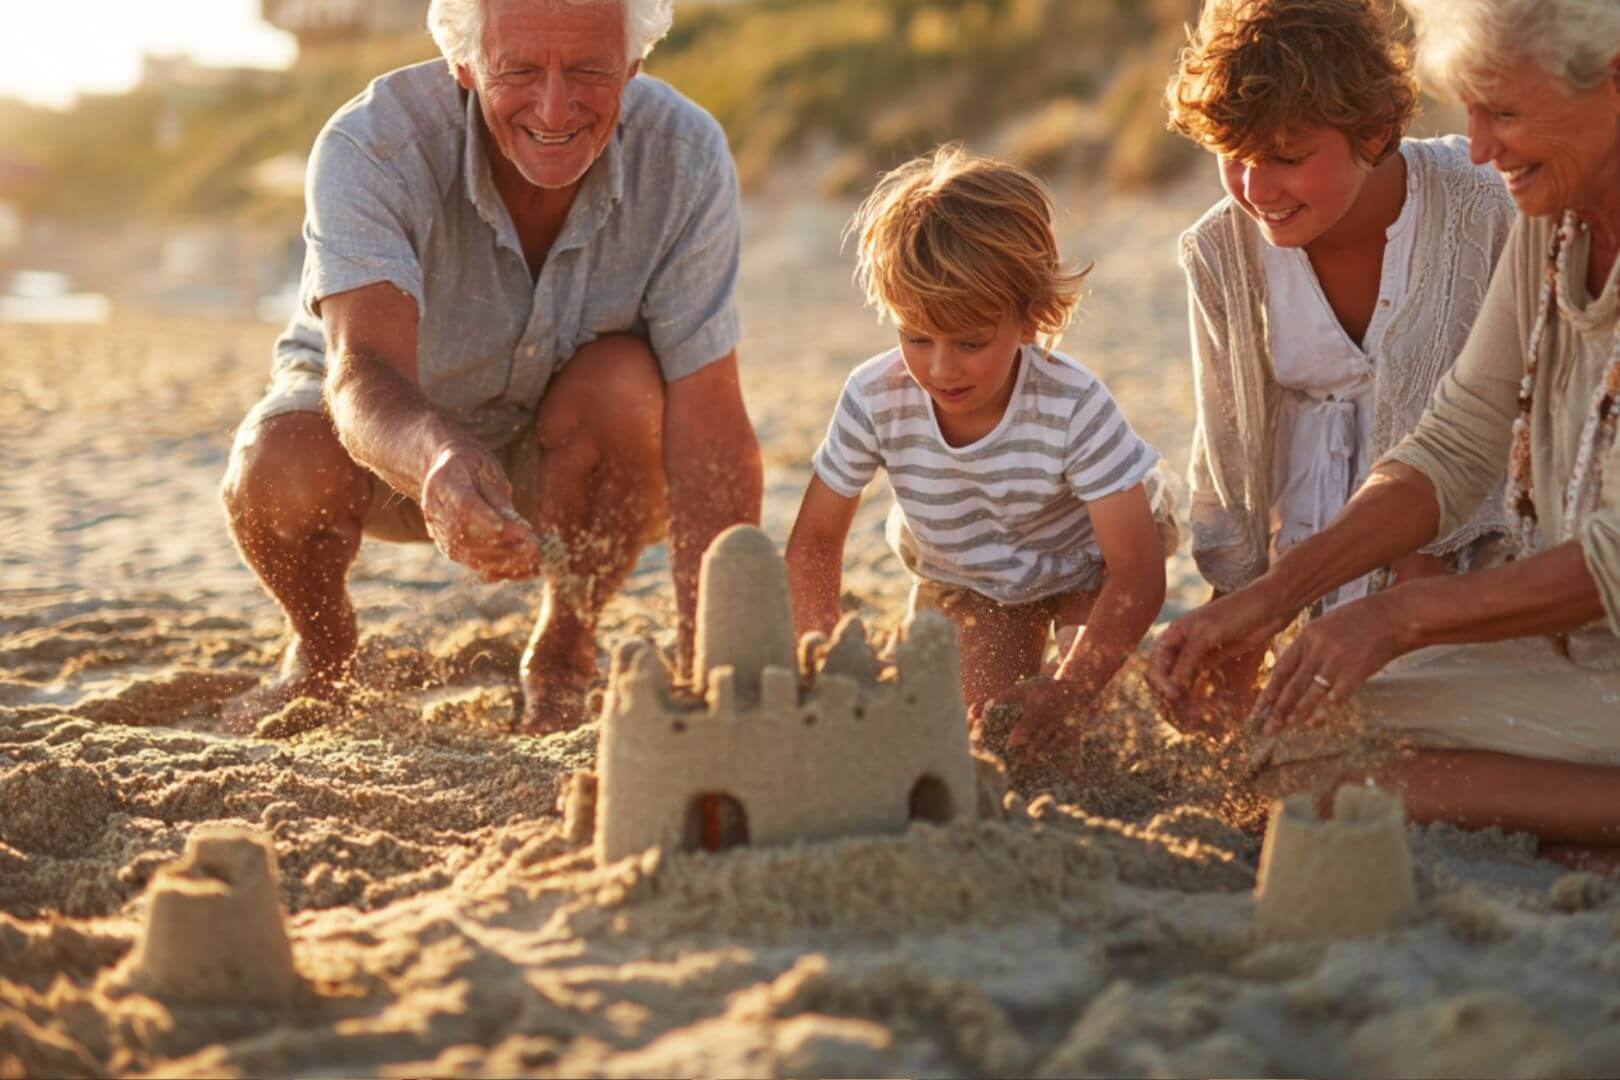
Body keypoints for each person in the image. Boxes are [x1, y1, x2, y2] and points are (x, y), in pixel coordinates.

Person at [1151, 0, 1620, 864]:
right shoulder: (1550, 225)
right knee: (1279, 754)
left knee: (1323, 771)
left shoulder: (1502, 205)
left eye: (1504, 113)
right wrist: (1267, 602)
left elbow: (1614, 559)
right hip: (1581, 650)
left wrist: (1401, 617)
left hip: (1596, 640)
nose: (1478, 147)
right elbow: (1452, 443)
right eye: (1471, 113)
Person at [221, 0, 762, 733]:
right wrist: (438, 458)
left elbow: (710, 429)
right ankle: (321, 651)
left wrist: (718, 669)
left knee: (630, 385)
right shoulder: (373, 144)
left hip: (571, 464)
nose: (554, 107)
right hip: (380, 444)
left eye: (589, 70)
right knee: (274, 462)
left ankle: (565, 650)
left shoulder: (686, 156)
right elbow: (360, 371)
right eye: (520, 71)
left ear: (633, 67)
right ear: (465, 65)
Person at [1163, 0, 1516, 728]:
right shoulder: (1219, 250)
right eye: (1237, 157)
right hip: (1307, 562)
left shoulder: (1483, 205)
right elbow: (1227, 444)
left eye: (1289, 159)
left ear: (1376, 130)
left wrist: (1419, 580)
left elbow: (1504, 421)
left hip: (1468, 555)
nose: (1258, 191)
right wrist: (1236, 602)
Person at [786, 146, 1174, 758]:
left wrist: (1071, 688)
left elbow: (1139, 572)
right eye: (916, 336)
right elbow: (814, 541)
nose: (941, 368)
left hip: (1090, 566)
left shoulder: (1073, 405)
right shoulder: (873, 396)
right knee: (979, 737)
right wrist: (817, 656)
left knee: (1089, 738)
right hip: (973, 574)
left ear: (1030, 318)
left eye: (970, 341)